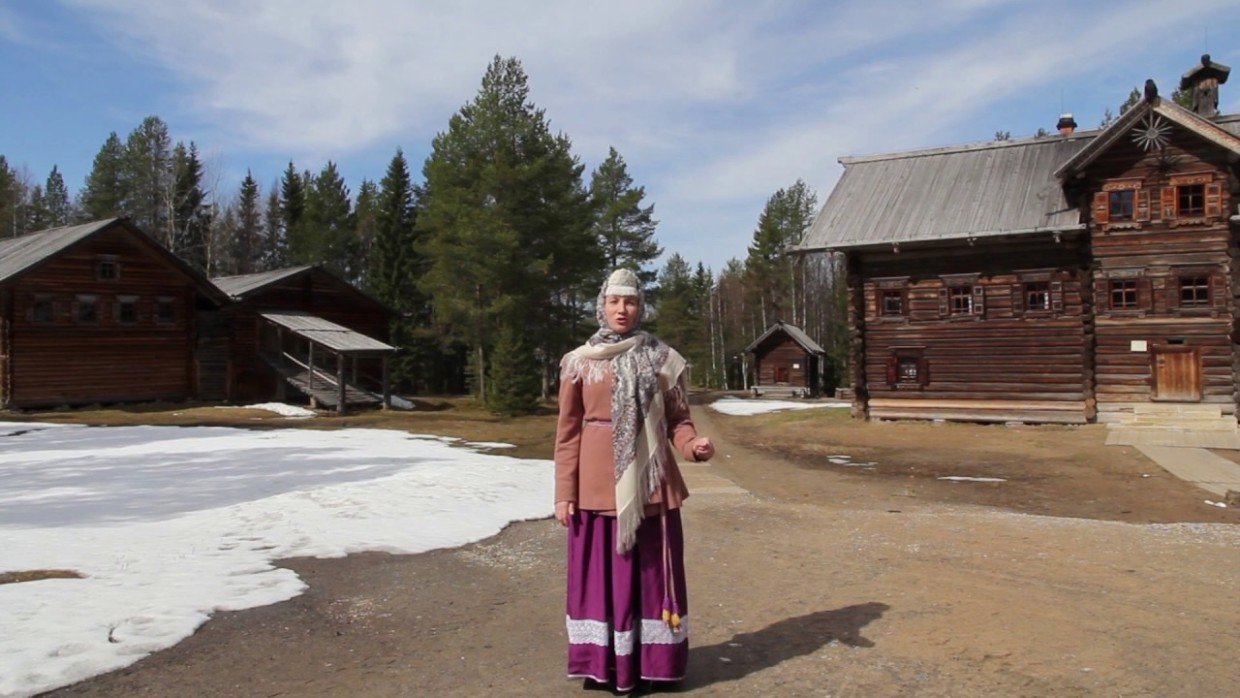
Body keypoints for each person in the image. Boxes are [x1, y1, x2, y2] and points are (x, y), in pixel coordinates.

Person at [554, 268, 714, 693]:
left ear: (642, 307)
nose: (622, 309)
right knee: (598, 578)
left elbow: (679, 420)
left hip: (651, 484)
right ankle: (602, 664)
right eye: (614, 301)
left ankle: (651, 664)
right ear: (601, 306)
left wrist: (692, 445)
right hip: (594, 487)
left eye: (631, 301)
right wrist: (563, 494)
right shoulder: (579, 362)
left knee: (649, 577)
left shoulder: (663, 358)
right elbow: (567, 432)